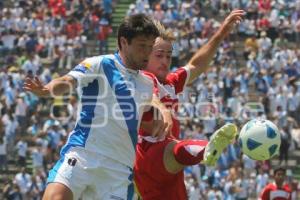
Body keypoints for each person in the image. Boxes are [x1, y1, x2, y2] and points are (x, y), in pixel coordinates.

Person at [24, 14, 173, 200]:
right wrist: (47, 89)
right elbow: (67, 80)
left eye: (150, 47)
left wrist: (160, 114)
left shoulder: (147, 83)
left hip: (118, 169)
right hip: (84, 153)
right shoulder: (100, 64)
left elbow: (138, 114)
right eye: (142, 46)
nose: (147, 52)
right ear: (124, 42)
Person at [134, 10, 245, 200]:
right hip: (149, 156)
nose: (165, 61)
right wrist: (162, 110)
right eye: (159, 55)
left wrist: (222, 32)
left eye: (169, 56)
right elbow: (149, 97)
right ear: (145, 56)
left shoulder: (170, 83)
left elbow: (197, 65)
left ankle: (205, 149)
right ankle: (206, 149)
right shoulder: (142, 78)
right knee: (172, 147)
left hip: (168, 170)